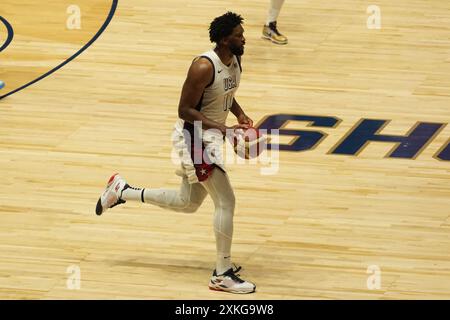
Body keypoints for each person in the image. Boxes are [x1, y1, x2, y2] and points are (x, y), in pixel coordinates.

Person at [95, 12, 256, 294]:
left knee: (188, 202)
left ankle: (121, 191)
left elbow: (223, 95)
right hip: (194, 139)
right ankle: (222, 273)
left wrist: (240, 114)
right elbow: (184, 111)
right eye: (239, 35)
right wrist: (224, 129)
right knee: (226, 201)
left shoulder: (235, 60)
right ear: (223, 40)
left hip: (211, 137)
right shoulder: (203, 67)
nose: (244, 38)